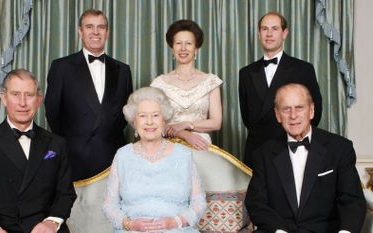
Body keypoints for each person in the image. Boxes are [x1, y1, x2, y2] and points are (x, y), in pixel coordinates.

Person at [0, 69, 77, 233]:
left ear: (38, 100)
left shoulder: (57, 144)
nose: (22, 103)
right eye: (15, 94)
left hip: (43, 229)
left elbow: (65, 194)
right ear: (3, 98)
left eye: (29, 95)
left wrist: (51, 222)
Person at [245, 83, 366, 233]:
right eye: (286, 109)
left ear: (311, 110)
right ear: (277, 115)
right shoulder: (263, 153)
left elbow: (352, 200)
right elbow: (257, 203)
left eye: (299, 107)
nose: (293, 115)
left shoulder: (339, 148)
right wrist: (278, 231)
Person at [103, 87, 207, 232]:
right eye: (143, 116)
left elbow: (199, 203)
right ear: (134, 121)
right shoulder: (123, 155)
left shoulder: (184, 154)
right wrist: (129, 224)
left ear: (164, 120)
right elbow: (109, 206)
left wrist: (174, 222)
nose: (149, 122)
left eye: (155, 115)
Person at [45, 9, 133, 181]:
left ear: (107, 32)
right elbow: (52, 112)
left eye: (101, 27)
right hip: (75, 157)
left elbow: (126, 113)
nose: (95, 32)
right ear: (80, 31)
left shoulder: (123, 70)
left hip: (113, 156)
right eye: (89, 27)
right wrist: (74, 143)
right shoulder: (61, 67)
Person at [239, 12, 322, 169]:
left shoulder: (303, 69)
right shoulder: (245, 73)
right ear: (258, 34)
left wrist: (295, 137)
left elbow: (314, 112)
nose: (269, 34)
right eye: (264, 29)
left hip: (292, 147)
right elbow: (247, 117)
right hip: (257, 150)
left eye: (275, 29)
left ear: (285, 33)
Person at [151, 19, 222, 151]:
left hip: (201, 145)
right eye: (178, 43)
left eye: (188, 43)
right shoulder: (159, 84)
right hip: (169, 147)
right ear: (173, 49)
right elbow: (155, 123)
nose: (183, 48)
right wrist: (184, 134)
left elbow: (216, 123)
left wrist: (187, 125)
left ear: (196, 49)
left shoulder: (211, 82)